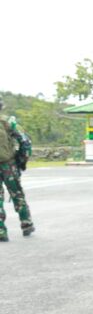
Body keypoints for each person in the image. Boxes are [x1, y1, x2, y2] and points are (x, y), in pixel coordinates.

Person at [0, 99, 34, 241]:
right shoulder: (8, 121)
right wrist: (22, 161)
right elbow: (25, 142)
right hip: (9, 164)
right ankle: (26, 223)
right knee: (17, 194)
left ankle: (1, 231)